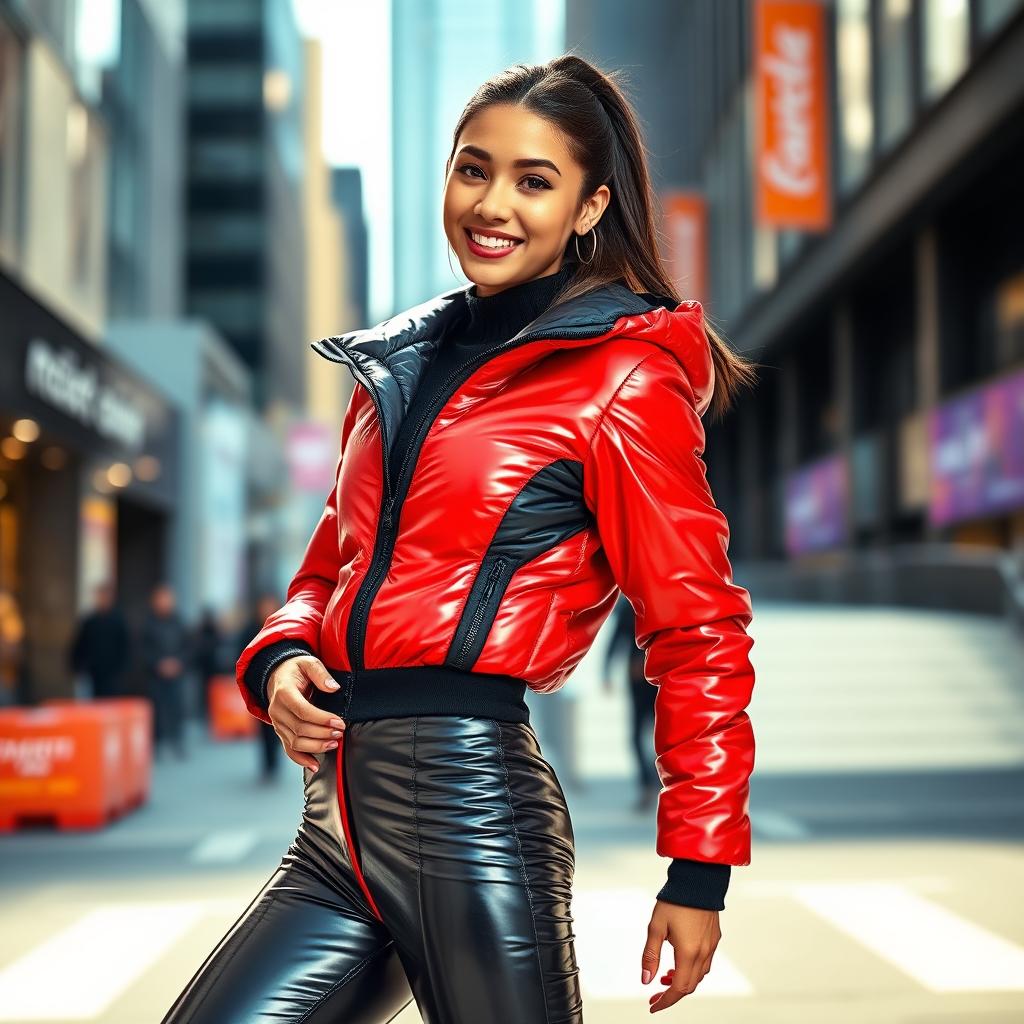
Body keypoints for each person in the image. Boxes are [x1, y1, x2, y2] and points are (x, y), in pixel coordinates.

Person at [161, 53, 758, 1023]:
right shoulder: (398, 366)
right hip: (333, 829)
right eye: (473, 168)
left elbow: (698, 632)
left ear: (590, 206)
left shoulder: (623, 381)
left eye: (535, 181)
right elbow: (326, 571)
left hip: (471, 816)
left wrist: (699, 866)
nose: (493, 204)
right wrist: (279, 658)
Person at [603, 592, 660, 811]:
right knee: (637, 735)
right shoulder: (629, 606)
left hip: (658, 676)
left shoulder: (660, 599)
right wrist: (606, 671)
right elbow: (616, 639)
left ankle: (658, 783)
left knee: (660, 735)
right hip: (637, 679)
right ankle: (647, 785)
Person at [140, 582, 190, 760]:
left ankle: (178, 741)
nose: (164, 602)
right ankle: (157, 743)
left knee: (176, 707)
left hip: (176, 674)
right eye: (161, 599)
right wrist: (158, 664)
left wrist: (178, 663)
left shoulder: (179, 622)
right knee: (156, 709)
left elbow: (188, 647)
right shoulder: (148, 623)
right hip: (156, 675)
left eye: (167, 599)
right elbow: (143, 650)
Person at [239, 593, 285, 784]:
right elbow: (241, 656)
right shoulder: (250, 630)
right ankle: (267, 763)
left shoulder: (283, 625)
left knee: (278, 725)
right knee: (263, 725)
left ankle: (275, 762)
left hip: (280, 683)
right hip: (258, 684)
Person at [69, 582, 131, 700]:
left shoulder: (118, 621)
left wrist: (122, 670)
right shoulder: (90, 621)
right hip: (93, 673)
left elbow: (124, 647)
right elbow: (80, 645)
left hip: (112, 675)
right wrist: (77, 666)